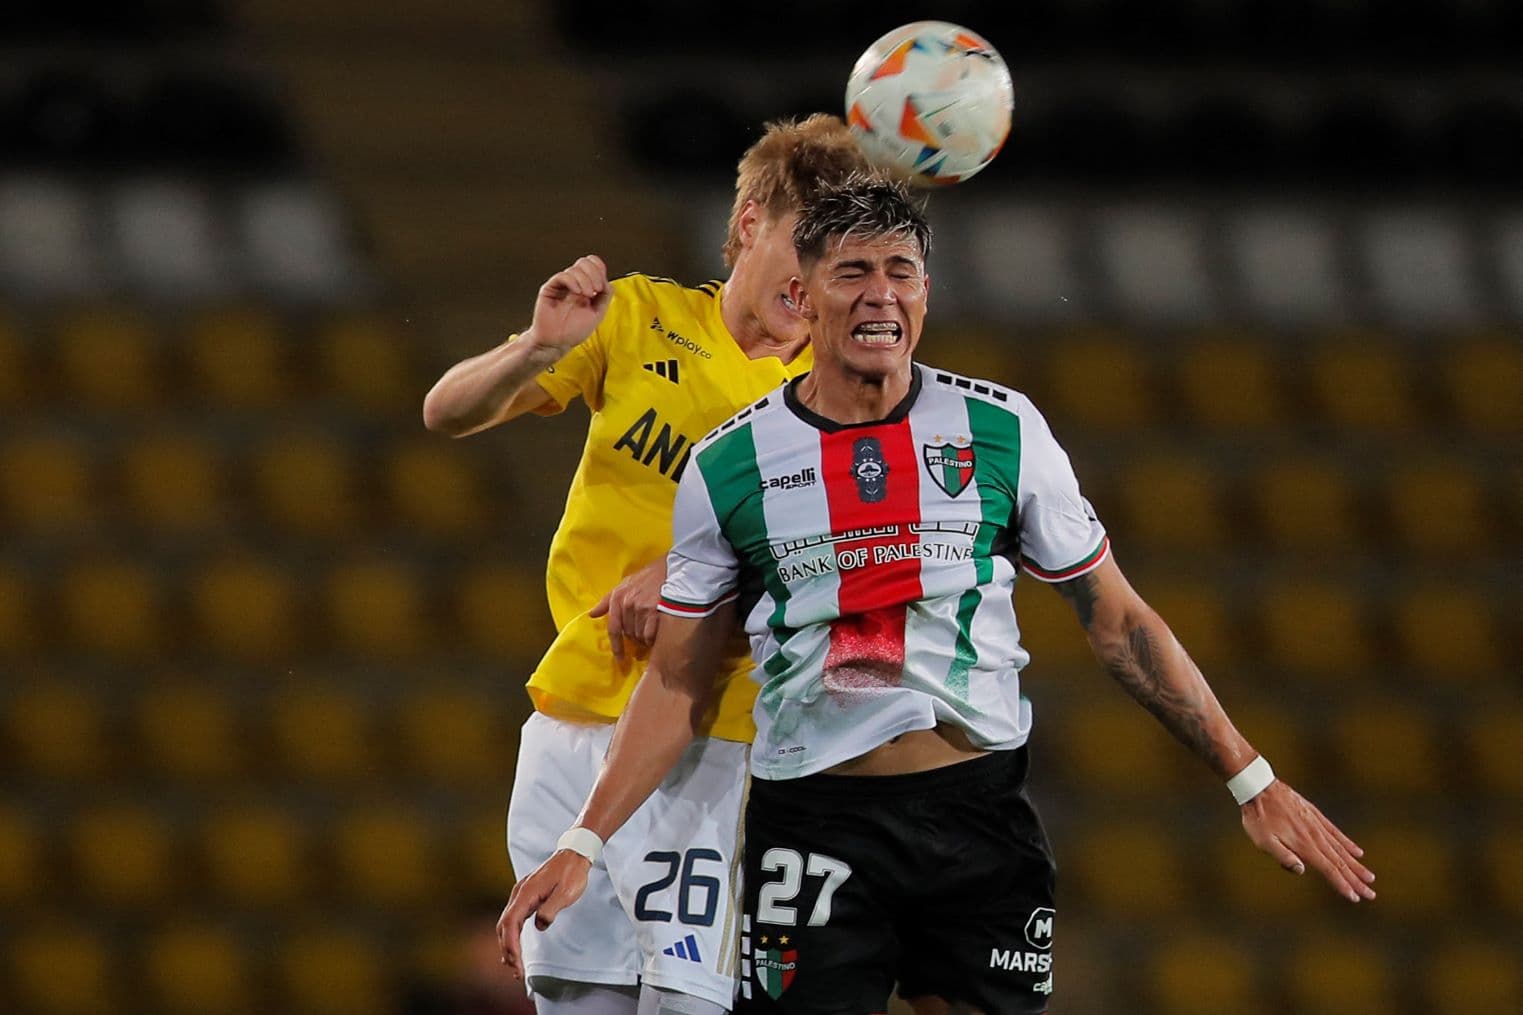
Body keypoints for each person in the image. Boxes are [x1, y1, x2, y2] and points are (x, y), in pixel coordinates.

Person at [496, 175, 1377, 1015]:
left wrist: (1247, 775)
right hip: (811, 823)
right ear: (804, 293)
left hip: (974, 815)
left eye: (901, 272)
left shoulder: (1000, 428)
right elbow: (680, 683)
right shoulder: (730, 461)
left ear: (925, 292)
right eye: (853, 271)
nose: (881, 294)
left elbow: (1116, 618)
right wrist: (585, 838)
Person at [423, 115, 872, 1015]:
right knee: (574, 1001)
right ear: (749, 223)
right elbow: (447, 411)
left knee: (682, 1004)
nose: (819, 278)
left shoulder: (847, 394)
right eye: (807, 244)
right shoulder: (637, 317)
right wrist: (537, 349)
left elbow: (848, 561)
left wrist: (689, 574)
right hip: (572, 713)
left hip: (714, 737)